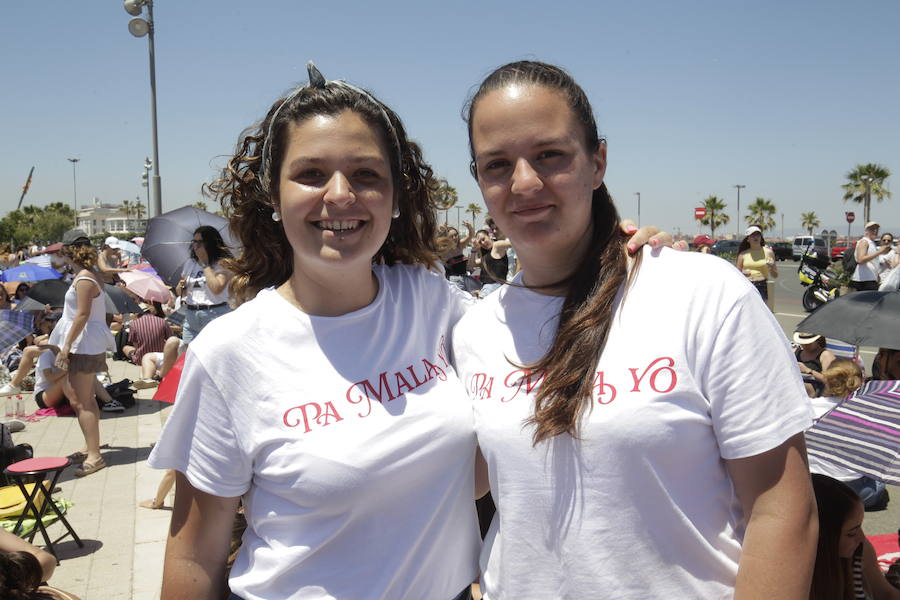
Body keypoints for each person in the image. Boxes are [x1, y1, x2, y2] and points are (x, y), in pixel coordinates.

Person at [452, 60, 817, 599]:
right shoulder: (474, 328)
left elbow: (783, 508)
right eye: (497, 164)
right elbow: (472, 489)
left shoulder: (702, 293)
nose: (524, 182)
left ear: (597, 162)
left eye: (550, 155)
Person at [48, 231, 115, 476]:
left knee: (81, 401)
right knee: (83, 399)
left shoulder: (85, 278)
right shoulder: (84, 276)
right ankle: (91, 447)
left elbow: (83, 315)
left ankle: (95, 455)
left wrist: (66, 347)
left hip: (83, 344)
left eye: (63, 250)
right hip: (84, 343)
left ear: (71, 251)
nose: (60, 255)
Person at [807, 359, 888, 511]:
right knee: (878, 485)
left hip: (811, 482)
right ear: (859, 381)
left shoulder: (808, 407)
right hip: (851, 488)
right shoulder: (867, 412)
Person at [809, 474, 900, 600]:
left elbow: (885, 593)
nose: (862, 538)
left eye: (860, 527)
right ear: (821, 536)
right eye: (851, 533)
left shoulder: (860, 551)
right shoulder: (792, 573)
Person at [174, 226, 233, 344]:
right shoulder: (191, 263)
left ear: (210, 243)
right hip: (191, 314)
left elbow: (217, 288)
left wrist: (205, 263)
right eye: (194, 241)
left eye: (200, 242)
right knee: (188, 352)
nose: (196, 245)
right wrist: (182, 287)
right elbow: (180, 292)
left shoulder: (223, 263)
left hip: (213, 313)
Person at [736, 225, 778, 301]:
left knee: (760, 310)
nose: (756, 237)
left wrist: (771, 267)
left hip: (761, 285)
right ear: (748, 239)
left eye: (758, 235)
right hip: (747, 285)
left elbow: (775, 275)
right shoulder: (743, 254)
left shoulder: (768, 252)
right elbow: (736, 274)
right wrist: (742, 272)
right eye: (753, 235)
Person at [794, 331, 837, 398]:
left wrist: (809, 371)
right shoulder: (797, 352)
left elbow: (830, 380)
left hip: (815, 390)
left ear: (817, 341)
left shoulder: (825, 355)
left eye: (808, 343)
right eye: (802, 343)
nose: (805, 345)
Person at [851, 221, 891, 292]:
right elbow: (860, 260)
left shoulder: (871, 243)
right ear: (866, 230)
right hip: (864, 280)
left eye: (876, 229)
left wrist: (876, 275)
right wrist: (879, 252)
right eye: (872, 229)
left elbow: (872, 262)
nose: (875, 231)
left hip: (870, 278)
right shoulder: (864, 242)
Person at [472, 229, 510, 297]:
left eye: (483, 239)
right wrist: (474, 250)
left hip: (493, 286)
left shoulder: (497, 245)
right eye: (480, 242)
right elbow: (471, 265)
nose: (483, 243)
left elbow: (514, 243)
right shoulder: (485, 254)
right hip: (488, 287)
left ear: (489, 236)